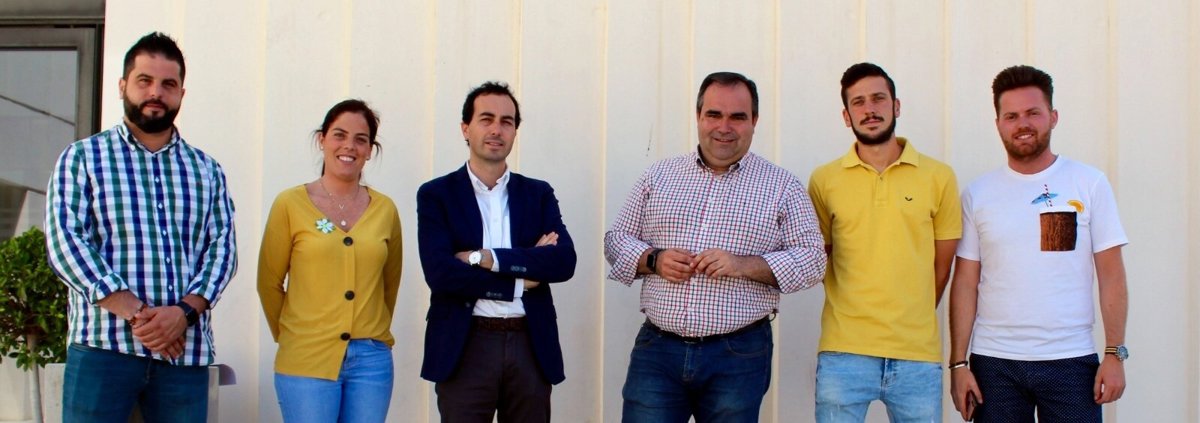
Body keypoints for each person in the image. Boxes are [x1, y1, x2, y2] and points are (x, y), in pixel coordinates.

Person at [604, 71, 827, 423]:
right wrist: (654, 259)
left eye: (737, 116)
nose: (724, 127)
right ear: (698, 116)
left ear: (754, 121)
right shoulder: (659, 176)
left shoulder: (782, 186)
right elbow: (615, 240)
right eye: (714, 114)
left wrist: (742, 265)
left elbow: (813, 260)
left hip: (738, 354)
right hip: (658, 351)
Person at [44, 32, 237, 422]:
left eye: (168, 84)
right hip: (104, 348)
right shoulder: (83, 158)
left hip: (184, 353)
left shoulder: (206, 170)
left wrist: (182, 313)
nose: (156, 93)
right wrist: (138, 314)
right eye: (144, 80)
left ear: (181, 93)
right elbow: (65, 242)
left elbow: (223, 251)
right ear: (122, 86)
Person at [949, 65, 1129, 422]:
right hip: (994, 363)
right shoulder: (977, 194)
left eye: (1033, 113)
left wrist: (1114, 353)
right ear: (998, 124)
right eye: (1011, 116)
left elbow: (1112, 275)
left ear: (1053, 116)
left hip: (1071, 360)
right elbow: (966, 282)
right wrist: (958, 363)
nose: (1023, 124)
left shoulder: (1088, 183)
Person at [806, 62, 961, 422]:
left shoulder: (939, 177)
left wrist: (912, 314)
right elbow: (820, 258)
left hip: (916, 354)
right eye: (858, 102)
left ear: (897, 106)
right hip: (843, 351)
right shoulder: (824, 180)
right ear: (846, 116)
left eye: (878, 98)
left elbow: (942, 267)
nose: (869, 109)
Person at [416, 81, 577, 422]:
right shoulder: (436, 195)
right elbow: (441, 274)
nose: (496, 129)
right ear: (466, 128)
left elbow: (563, 261)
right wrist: (520, 281)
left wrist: (486, 258)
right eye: (486, 119)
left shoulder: (537, 194)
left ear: (515, 131)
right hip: (465, 344)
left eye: (506, 121)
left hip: (529, 344)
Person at [257, 99, 402, 422]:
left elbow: (389, 285)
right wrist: (293, 337)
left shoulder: (385, 210)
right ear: (322, 139)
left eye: (360, 139)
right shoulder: (290, 204)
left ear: (370, 150)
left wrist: (371, 332)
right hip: (306, 358)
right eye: (339, 135)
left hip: (371, 363)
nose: (349, 146)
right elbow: (268, 283)